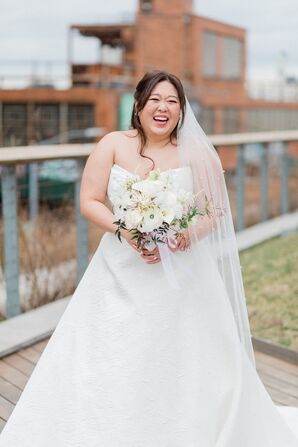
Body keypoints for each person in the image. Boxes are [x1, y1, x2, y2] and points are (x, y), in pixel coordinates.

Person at [0, 70, 297, 446]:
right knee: (111, 350)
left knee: (186, 356)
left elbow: (216, 211)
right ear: (139, 105)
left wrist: (186, 234)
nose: (163, 107)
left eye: (173, 101)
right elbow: (89, 201)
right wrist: (128, 231)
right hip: (119, 268)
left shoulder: (196, 153)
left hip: (184, 272)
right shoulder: (112, 144)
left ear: (181, 111)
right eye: (155, 99)